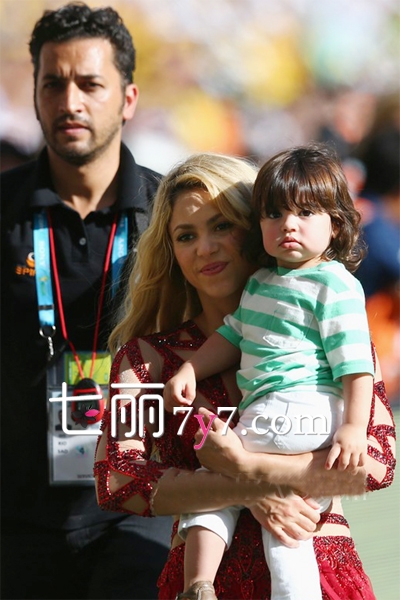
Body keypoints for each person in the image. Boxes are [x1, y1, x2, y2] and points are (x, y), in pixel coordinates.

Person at [94, 151, 396, 600]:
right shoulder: (148, 360)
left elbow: (376, 463)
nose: (205, 248)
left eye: (221, 226)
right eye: (186, 235)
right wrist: (253, 491)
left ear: (252, 227)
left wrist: (249, 469)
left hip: (320, 575)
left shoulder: (332, 324)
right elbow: (117, 479)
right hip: (204, 585)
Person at [0, 3, 172, 599]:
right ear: (35, 95)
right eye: (53, 83)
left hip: (143, 504)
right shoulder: (4, 211)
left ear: (127, 98)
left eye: (90, 84)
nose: (69, 101)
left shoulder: (174, 217)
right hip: (17, 517)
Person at [164, 144, 374, 600]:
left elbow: (357, 366)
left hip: (305, 410)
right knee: (270, 522)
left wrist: (355, 427)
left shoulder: (335, 283)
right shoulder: (262, 284)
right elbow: (231, 335)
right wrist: (191, 369)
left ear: (336, 224)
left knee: (224, 489)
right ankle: (200, 586)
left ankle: (199, 582)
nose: (288, 225)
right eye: (274, 214)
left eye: (305, 212)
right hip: (269, 416)